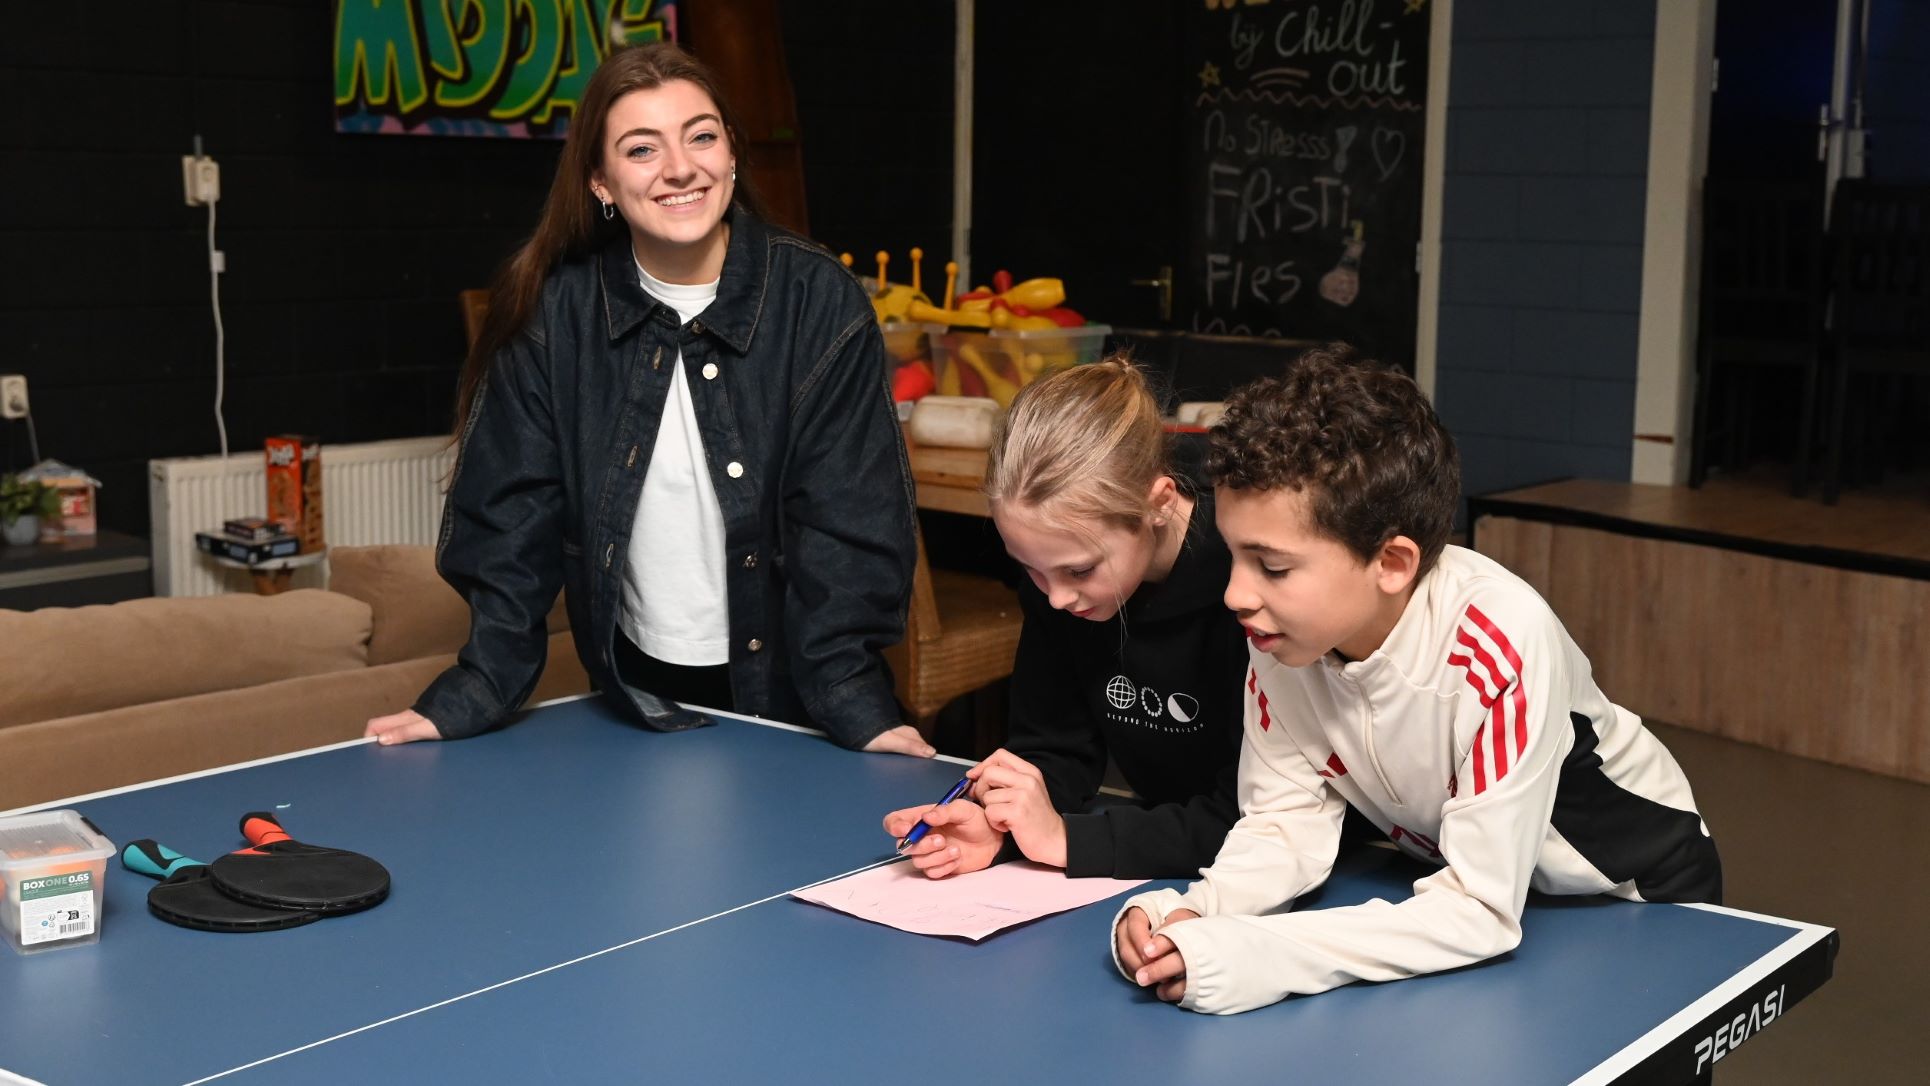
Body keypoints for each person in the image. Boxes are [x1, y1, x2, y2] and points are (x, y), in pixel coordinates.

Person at [1115, 345, 1722, 1014]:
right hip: (1481, 887)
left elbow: (1478, 912)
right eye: (1233, 555)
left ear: (1393, 562)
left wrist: (1259, 954)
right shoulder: (1284, 640)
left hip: (1636, 895)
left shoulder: (1501, 644)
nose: (1236, 594)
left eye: (1273, 567)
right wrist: (1196, 918)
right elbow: (1285, 823)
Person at [365, 44, 930, 757]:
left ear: (731, 153)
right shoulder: (554, 313)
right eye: (642, 149)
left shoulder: (818, 301)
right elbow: (511, 519)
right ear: (600, 181)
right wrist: (478, 689)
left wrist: (859, 707)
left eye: (701, 135)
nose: (681, 168)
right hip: (638, 695)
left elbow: (850, 523)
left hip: (796, 703)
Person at [882, 358, 1246, 879]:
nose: (1056, 599)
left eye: (1080, 569)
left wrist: (1065, 840)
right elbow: (1055, 748)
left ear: (1158, 504)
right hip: (1170, 848)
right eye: (1029, 568)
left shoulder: (1250, 583)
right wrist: (1001, 823)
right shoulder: (1059, 573)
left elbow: (1261, 822)